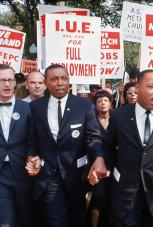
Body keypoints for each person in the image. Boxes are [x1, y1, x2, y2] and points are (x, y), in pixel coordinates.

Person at [25, 64, 107, 227]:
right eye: (54, 79)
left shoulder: (83, 106)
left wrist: (99, 157)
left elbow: (93, 138)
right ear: (46, 82)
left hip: (77, 174)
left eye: (64, 78)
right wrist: (31, 156)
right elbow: (33, 140)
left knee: (78, 218)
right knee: (55, 220)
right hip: (50, 174)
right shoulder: (36, 107)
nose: (60, 82)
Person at [99, 69, 153, 227]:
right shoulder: (118, 116)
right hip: (125, 195)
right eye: (151, 86)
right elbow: (107, 148)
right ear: (137, 88)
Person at [0, 64, 33, 227]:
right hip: (1, 173)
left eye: (9, 80)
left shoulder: (28, 109)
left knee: (25, 217)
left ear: (15, 83)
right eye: (2, 80)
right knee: (6, 221)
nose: (6, 84)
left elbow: (34, 140)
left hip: (23, 170)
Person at [88, 90, 113, 227]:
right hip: (96, 163)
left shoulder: (117, 119)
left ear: (110, 103)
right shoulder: (91, 120)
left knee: (112, 196)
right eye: (99, 101)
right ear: (95, 104)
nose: (102, 104)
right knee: (97, 197)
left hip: (114, 163)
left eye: (105, 100)